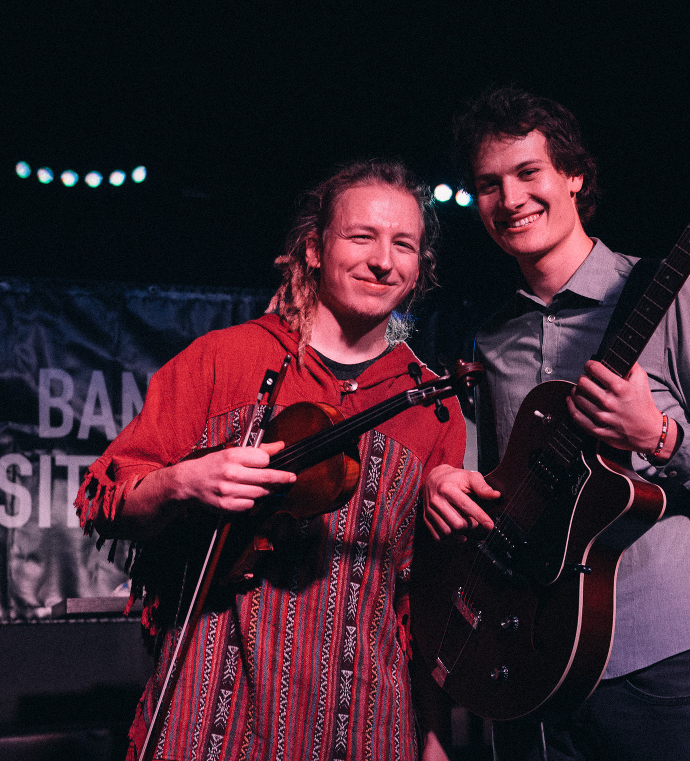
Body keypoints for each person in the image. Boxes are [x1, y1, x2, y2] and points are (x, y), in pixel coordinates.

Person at [421, 88, 690, 760]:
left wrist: (660, 436)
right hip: (532, 663)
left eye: (529, 173)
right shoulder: (493, 337)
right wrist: (445, 480)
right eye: (488, 185)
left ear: (574, 176)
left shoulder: (667, 292)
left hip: (661, 656)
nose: (511, 199)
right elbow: (493, 490)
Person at [75, 159, 465, 761]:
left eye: (403, 244)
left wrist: (435, 740)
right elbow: (113, 498)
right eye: (361, 236)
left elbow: (423, 600)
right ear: (313, 249)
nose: (383, 260)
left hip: (363, 724)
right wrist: (180, 482)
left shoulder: (429, 406)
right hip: (211, 718)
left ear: (419, 267)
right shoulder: (223, 361)